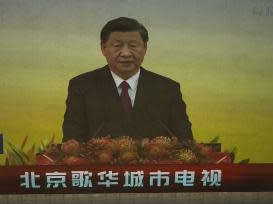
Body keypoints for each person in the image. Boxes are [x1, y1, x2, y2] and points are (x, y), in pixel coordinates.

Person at [63, 17, 194, 143]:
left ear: (145, 48)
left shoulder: (168, 89)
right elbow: (72, 142)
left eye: (133, 45)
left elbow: (186, 142)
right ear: (103, 48)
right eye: (117, 46)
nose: (126, 53)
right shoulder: (81, 86)